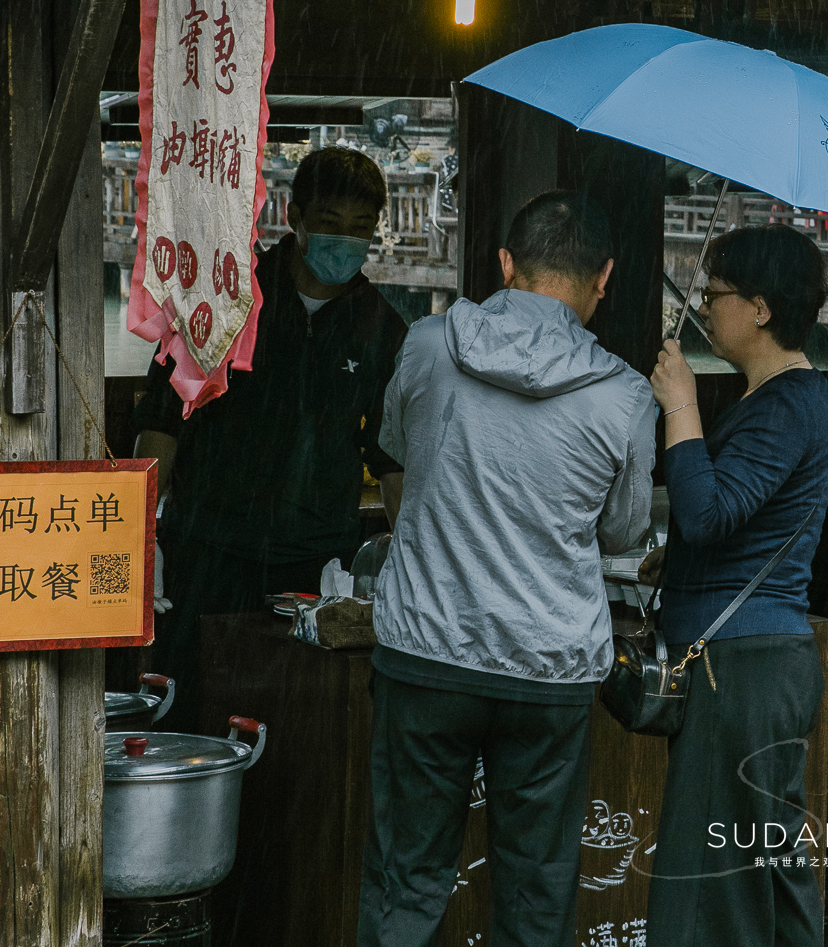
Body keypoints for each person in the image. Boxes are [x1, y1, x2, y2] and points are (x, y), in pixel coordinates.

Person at [360, 190, 656, 947]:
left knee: (405, 881)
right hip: (548, 670)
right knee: (536, 892)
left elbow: (399, 447)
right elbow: (623, 530)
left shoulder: (428, 344)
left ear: (504, 263)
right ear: (604, 277)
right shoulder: (626, 394)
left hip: (425, 654)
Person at [135, 146, 407, 726]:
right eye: (331, 222)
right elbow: (162, 420)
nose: (345, 241)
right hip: (206, 549)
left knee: (296, 722)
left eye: (361, 228)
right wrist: (142, 532)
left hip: (314, 562)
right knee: (187, 711)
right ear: (295, 216)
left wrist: (413, 554)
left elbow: (391, 457)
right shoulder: (226, 297)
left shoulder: (381, 327)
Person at [643, 225, 828, 947]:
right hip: (754, 662)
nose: (702, 306)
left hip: (743, 668)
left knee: (714, 885)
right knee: (764, 867)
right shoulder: (780, 399)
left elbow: (707, 513)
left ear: (760, 308)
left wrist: (680, 405)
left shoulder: (786, 404)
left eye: (714, 293)